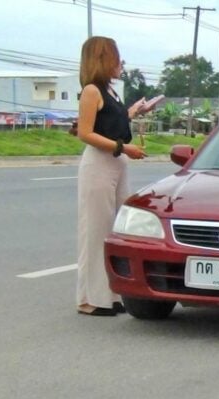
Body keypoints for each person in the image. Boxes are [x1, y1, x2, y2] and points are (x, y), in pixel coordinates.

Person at [75, 36, 149, 316]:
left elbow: (109, 123)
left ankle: (111, 294)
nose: (121, 63)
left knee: (115, 230)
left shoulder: (111, 93)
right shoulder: (91, 91)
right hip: (99, 164)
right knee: (95, 231)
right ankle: (90, 299)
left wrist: (131, 112)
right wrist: (123, 148)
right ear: (102, 60)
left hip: (117, 163)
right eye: (116, 58)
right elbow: (86, 133)